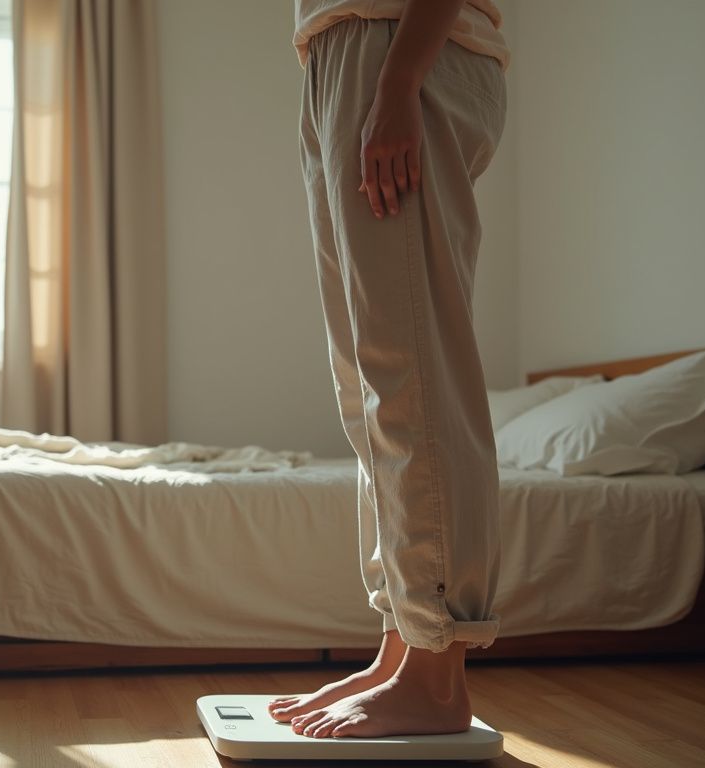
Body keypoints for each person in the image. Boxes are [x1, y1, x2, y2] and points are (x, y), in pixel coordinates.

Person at [267, 0, 509, 739]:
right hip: (337, 57)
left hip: (397, 45)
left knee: (411, 378)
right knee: (368, 386)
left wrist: (401, 78)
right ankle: (403, 646)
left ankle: (435, 676)